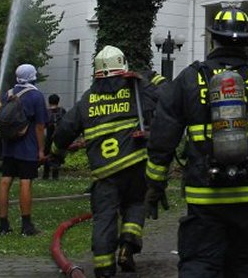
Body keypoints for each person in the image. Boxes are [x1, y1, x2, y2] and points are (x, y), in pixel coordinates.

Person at [145, 6, 248, 277]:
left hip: (205, 194)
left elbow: (163, 136)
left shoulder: (191, 77)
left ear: (214, 39)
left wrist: (154, 183)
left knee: (199, 263)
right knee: (244, 265)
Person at [51, 45, 164, 277]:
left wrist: (55, 152)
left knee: (104, 217)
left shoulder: (87, 99)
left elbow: (65, 129)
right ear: (123, 67)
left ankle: (104, 269)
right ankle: (128, 245)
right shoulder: (136, 89)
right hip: (135, 164)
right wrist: (153, 78)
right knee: (135, 204)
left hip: (104, 175)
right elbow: (166, 97)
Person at [0, 63, 48, 236]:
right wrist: (41, 149)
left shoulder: (8, 94)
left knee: (5, 181)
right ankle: (26, 225)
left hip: (9, 146)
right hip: (28, 146)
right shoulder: (36, 96)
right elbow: (40, 126)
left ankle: (3, 224)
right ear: (33, 76)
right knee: (25, 182)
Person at [42, 93, 66, 180]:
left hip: (49, 137)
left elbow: (43, 125)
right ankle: (55, 176)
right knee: (56, 155)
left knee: (47, 154)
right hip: (58, 137)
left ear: (49, 102)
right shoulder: (62, 111)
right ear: (58, 101)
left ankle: (45, 174)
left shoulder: (46, 112)